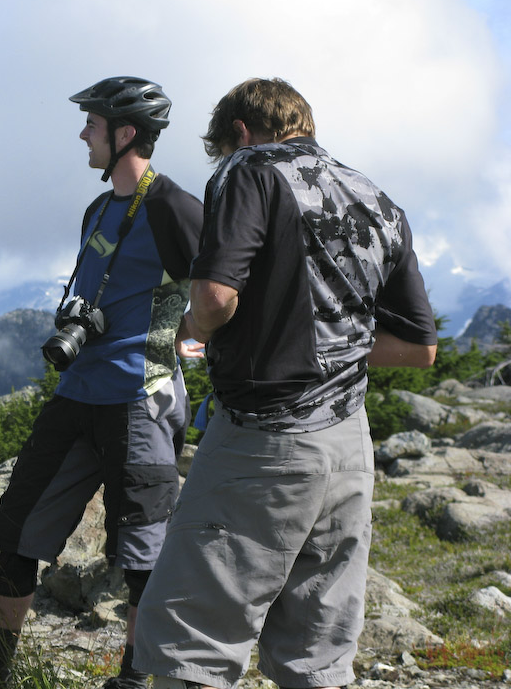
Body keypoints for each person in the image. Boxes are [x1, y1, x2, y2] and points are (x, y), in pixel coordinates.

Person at [134, 78, 438, 689]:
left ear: (241, 132)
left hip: (265, 440)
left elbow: (215, 297)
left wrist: (192, 327)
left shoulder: (250, 169)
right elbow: (419, 348)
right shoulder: (374, 197)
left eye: (223, 149)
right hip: (348, 447)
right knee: (316, 653)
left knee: (190, 640)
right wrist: (330, 349)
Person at [0, 77, 204, 689]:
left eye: (93, 124)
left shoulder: (174, 207)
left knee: (143, 550)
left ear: (125, 133)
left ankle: (134, 679)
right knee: (15, 529)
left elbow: (222, 290)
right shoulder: (99, 208)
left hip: (139, 397)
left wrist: (187, 335)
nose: (83, 134)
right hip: (77, 391)